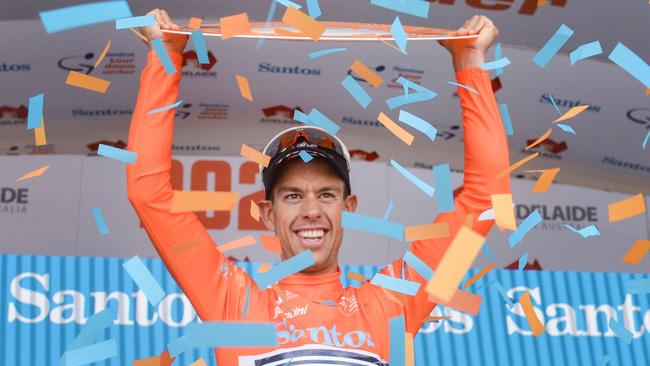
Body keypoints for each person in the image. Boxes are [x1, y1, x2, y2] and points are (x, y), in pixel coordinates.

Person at [127, 9, 510, 365]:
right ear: (268, 214)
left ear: (349, 206)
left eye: (326, 194)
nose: (312, 210)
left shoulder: (394, 305)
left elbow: (488, 201)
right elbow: (147, 194)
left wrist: (470, 63)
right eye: (293, 195)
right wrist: (164, 57)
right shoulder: (233, 306)